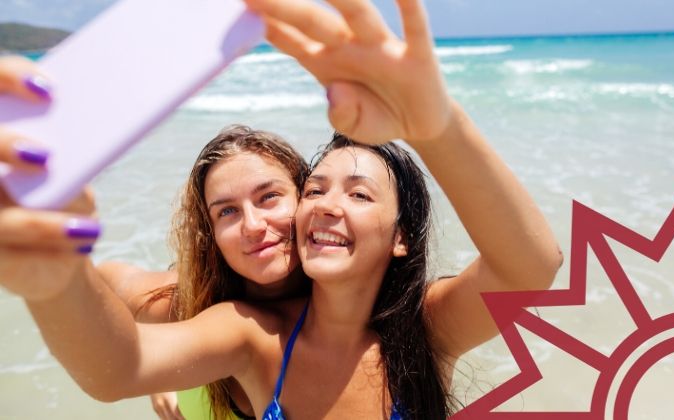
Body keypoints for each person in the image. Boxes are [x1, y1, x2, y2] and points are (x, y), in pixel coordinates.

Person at [0, 0, 563, 418]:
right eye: (315, 190)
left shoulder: (427, 330)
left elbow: (530, 267)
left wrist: (436, 126)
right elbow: (116, 366)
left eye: (360, 194)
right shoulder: (255, 336)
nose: (327, 206)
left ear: (400, 237)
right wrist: (57, 275)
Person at [0, 56, 312, 420]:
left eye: (269, 197)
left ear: (307, 197)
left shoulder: (362, 299)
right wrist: (61, 279)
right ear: (211, 235)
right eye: (226, 211)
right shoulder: (183, 303)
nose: (253, 225)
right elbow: (107, 292)